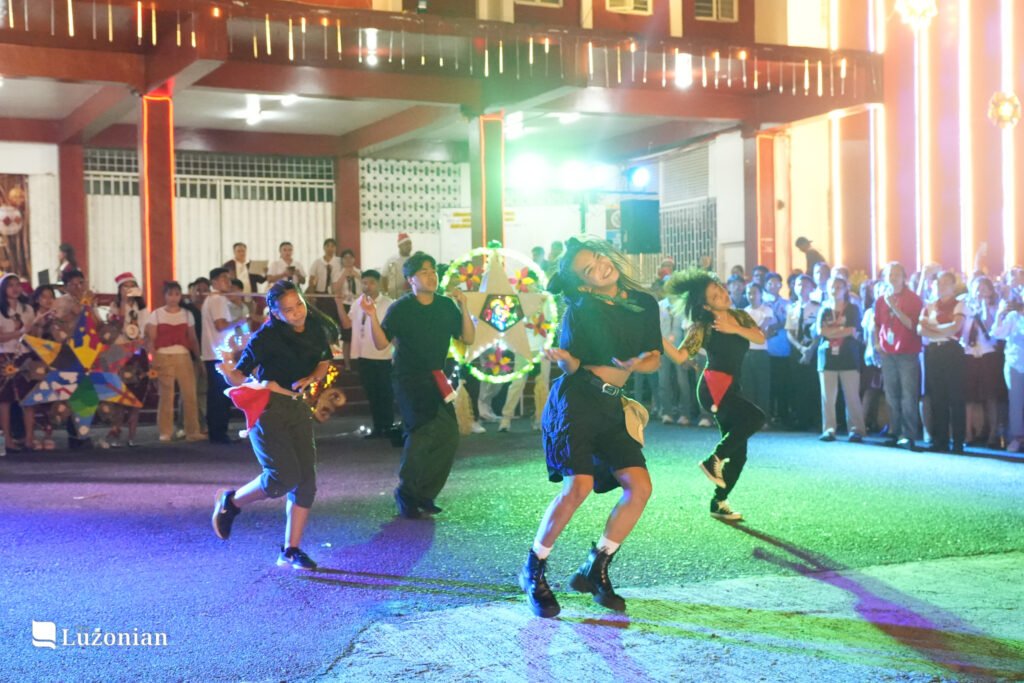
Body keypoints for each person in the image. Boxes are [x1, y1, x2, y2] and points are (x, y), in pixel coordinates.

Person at [519, 236, 661, 619]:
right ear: (582, 284)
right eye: (588, 269)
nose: (600, 266)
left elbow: (654, 358)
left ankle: (595, 567)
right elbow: (574, 365)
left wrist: (637, 363)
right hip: (576, 402)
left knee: (640, 488)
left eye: (598, 257)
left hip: (613, 405)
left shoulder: (644, 303)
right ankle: (533, 569)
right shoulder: (580, 310)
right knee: (577, 486)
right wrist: (564, 359)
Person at [211, 280, 339, 570]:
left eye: (299, 305)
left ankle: (290, 550)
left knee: (306, 482)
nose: (297, 313)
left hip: (297, 407)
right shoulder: (265, 337)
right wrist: (227, 371)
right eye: (288, 310)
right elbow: (240, 375)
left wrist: (313, 378)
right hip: (268, 408)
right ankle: (232, 502)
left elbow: (324, 360)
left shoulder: (315, 327)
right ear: (276, 313)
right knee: (283, 477)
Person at [359, 251, 474, 519]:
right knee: (421, 433)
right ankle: (407, 491)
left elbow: (468, 338)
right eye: (424, 271)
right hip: (408, 379)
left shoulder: (446, 305)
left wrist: (464, 307)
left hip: (437, 377)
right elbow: (381, 343)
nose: (431, 276)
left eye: (433, 271)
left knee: (449, 435)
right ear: (410, 279)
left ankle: (425, 493)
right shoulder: (401, 308)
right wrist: (372, 316)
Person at [663, 268, 766, 523]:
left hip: (732, 387)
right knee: (756, 418)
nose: (722, 294)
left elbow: (759, 337)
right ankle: (714, 460)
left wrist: (734, 328)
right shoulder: (703, 328)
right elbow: (680, 356)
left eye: (720, 288)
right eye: (714, 295)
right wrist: (657, 337)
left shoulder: (740, 316)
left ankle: (719, 502)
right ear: (706, 306)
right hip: (713, 387)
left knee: (739, 453)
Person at [146, 281, 203, 443]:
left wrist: (198, 358)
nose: (173, 298)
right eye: (170, 294)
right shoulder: (156, 314)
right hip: (163, 356)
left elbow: (192, 339)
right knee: (166, 396)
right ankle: (165, 431)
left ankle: (193, 431)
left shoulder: (187, 314)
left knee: (190, 395)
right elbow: (151, 339)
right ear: (164, 296)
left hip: (184, 356)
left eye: (176, 294)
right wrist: (152, 359)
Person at [875, 262, 924, 450]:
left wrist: (894, 307)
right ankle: (895, 432)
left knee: (908, 395)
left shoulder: (913, 299)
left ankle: (908, 435)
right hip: (888, 352)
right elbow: (877, 324)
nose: (893, 278)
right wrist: (876, 343)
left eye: (896, 274)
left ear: (904, 277)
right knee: (891, 394)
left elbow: (912, 325)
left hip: (907, 352)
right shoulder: (881, 300)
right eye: (889, 274)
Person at [918, 271, 967, 452]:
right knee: (937, 397)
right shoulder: (930, 305)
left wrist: (934, 329)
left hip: (952, 350)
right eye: (939, 283)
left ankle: (958, 441)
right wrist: (941, 330)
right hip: (934, 351)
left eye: (946, 283)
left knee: (956, 396)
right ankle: (941, 440)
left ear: (953, 286)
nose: (941, 286)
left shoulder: (959, 304)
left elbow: (955, 327)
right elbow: (920, 329)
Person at [815, 276, 867, 443]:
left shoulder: (852, 309)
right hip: (827, 356)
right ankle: (829, 429)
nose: (835, 290)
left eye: (839, 287)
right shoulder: (824, 309)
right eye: (832, 287)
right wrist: (840, 330)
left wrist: (832, 331)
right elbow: (820, 331)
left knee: (852, 395)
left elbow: (852, 330)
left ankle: (856, 429)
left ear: (845, 290)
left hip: (848, 356)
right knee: (828, 397)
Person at [102, 272, 149, 448]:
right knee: (119, 394)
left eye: (132, 286)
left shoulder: (142, 309)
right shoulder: (114, 307)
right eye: (125, 286)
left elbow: (145, 332)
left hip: (137, 352)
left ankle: (132, 435)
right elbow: (114, 328)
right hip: (119, 353)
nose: (129, 289)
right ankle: (116, 430)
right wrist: (123, 304)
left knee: (136, 394)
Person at [201, 267, 248, 443]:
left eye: (228, 278)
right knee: (221, 395)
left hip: (213, 352)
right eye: (223, 278)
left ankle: (216, 432)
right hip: (220, 353)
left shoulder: (211, 299)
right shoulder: (218, 299)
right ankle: (219, 433)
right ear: (214, 282)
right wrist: (240, 321)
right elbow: (220, 325)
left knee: (216, 394)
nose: (228, 282)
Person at [348, 270, 395, 438]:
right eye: (364, 283)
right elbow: (348, 323)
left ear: (379, 284)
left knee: (385, 393)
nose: (368, 286)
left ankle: (388, 426)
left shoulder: (389, 304)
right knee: (372, 394)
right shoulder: (357, 303)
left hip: (384, 357)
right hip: (364, 356)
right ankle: (378, 427)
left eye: (372, 283)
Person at [0, 273, 35, 452]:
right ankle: (8, 440)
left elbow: (33, 333)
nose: (15, 288)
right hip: (5, 356)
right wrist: (18, 333)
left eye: (17, 284)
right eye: (10, 285)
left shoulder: (27, 309)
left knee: (28, 398)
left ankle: (29, 438)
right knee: (5, 400)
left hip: (24, 355)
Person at [786, 274, 822, 431]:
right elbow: (789, 332)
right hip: (797, 350)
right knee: (797, 384)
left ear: (812, 288)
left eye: (806, 285)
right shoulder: (792, 308)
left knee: (813, 384)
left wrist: (810, 349)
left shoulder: (818, 307)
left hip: (813, 350)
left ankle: (816, 420)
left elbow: (820, 331)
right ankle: (801, 419)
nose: (802, 288)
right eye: (799, 285)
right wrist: (800, 348)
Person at [993, 287, 1024, 452]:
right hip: (1015, 363)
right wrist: (999, 314)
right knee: (1015, 402)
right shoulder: (1013, 316)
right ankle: (1017, 438)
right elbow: (998, 333)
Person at [741, 282, 774, 416]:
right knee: (747, 387)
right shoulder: (743, 312)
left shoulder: (766, 310)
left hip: (761, 352)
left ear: (761, 294)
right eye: (749, 293)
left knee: (762, 387)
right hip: (746, 352)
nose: (751, 296)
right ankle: (749, 417)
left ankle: (763, 418)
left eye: (754, 292)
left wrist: (749, 332)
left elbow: (762, 330)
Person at [334, 249, 361, 370]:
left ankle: (359, 362)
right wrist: (344, 275)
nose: (348, 260)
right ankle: (347, 364)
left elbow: (366, 286)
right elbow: (335, 289)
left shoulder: (359, 272)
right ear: (342, 260)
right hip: (344, 305)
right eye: (345, 258)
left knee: (359, 334)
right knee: (347, 336)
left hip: (358, 305)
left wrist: (356, 275)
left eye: (350, 257)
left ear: (354, 259)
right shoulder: (338, 273)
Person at [307, 238, 343, 325]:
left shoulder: (339, 261)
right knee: (320, 317)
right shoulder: (317, 262)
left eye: (332, 246)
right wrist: (312, 295)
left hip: (334, 294)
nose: (330, 248)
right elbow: (311, 279)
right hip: (320, 294)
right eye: (328, 246)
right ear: (324, 248)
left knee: (333, 318)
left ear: (335, 248)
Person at [382, 233, 414, 300]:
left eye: (410, 244)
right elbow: (384, 277)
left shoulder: (414, 259)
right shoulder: (392, 260)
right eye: (406, 244)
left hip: (410, 293)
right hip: (393, 295)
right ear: (399, 246)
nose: (409, 246)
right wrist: (386, 293)